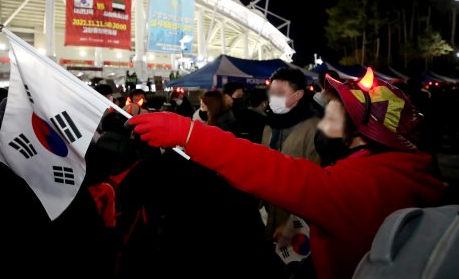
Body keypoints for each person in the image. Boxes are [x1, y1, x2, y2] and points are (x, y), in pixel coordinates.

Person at [127, 68, 447, 279]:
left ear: (365, 128)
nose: (327, 110)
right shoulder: (389, 170)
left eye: (340, 108)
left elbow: (277, 171)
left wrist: (190, 135)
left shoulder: (369, 182)